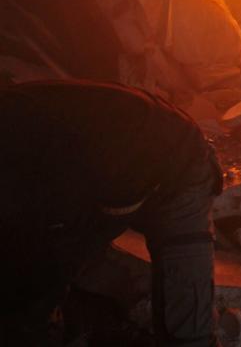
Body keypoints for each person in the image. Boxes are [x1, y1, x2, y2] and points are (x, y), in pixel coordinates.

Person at [0, 79, 223, 347]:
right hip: (122, 156)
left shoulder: (29, 148)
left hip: (180, 166)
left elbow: (64, 239)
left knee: (186, 327)